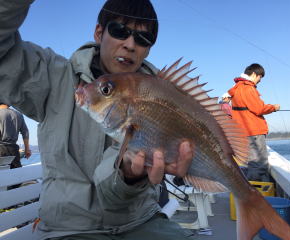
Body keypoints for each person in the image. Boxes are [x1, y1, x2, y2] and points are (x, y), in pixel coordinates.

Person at [0, 0, 194, 239]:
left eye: (143, 39)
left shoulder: (158, 97)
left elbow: (113, 194)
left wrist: (129, 176)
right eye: (120, 31)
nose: (130, 44)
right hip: (69, 229)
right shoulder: (53, 76)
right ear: (99, 32)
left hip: (141, 220)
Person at [228, 63, 280, 182]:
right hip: (253, 131)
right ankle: (258, 193)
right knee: (259, 164)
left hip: (244, 131)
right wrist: (274, 107)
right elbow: (258, 108)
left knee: (250, 163)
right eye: (260, 77)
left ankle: (250, 189)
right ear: (253, 74)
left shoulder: (237, 88)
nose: (260, 80)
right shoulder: (247, 88)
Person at [0, 103, 31, 169]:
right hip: (14, 150)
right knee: (16, 174)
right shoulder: (19, 114)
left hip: (1, 149)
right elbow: (25, 132)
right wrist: (27, 149)